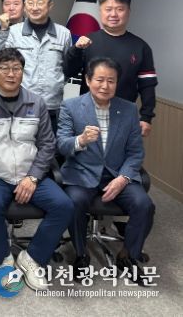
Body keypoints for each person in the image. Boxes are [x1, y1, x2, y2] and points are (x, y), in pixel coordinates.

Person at [0, 48, 73, 290]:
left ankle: (32, 258)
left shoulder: (37, 102)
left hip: (30, 173)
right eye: (4, 68)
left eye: (16, 69)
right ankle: (3, 257)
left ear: (23, 72)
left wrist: (33, 177)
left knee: (64, 206)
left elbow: (48, 144)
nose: (11, 74)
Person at [57, 57, 155, 285]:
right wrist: (80, 140)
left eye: (111, 81)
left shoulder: (129, 109)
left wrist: (123, 178)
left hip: (118, 174)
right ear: (88, 80)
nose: (105, 86)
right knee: (74, 202)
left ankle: (127, 255)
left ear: (117, 83)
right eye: (99, 79)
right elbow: (61, 145)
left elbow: (135, 152)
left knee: (145, 205)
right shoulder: (71, 106)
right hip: (81, 172)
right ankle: (81, 254)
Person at [66, 0, 158, 137]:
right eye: (108, 9)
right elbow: (68, 72)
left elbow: (147, 86)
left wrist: (146, 117)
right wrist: (75, 50)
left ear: (128, 11)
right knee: (84, 151)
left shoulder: (141, 47)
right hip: (87, 117)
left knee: (123, 152)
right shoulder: (87, 41)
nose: (113, 14)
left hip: (124, 118)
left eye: (120, 9)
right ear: (100, 11)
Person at [0, 0, 73, 132]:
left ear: (50, 5)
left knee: (51, 145)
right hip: (21, 104)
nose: (34, 8)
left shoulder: (64, 34)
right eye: (30, 3)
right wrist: (3, 31)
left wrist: (56, 82)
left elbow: (67, 68)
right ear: (25, 6)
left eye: (40, 3)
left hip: (52, 105)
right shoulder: (13, 32)